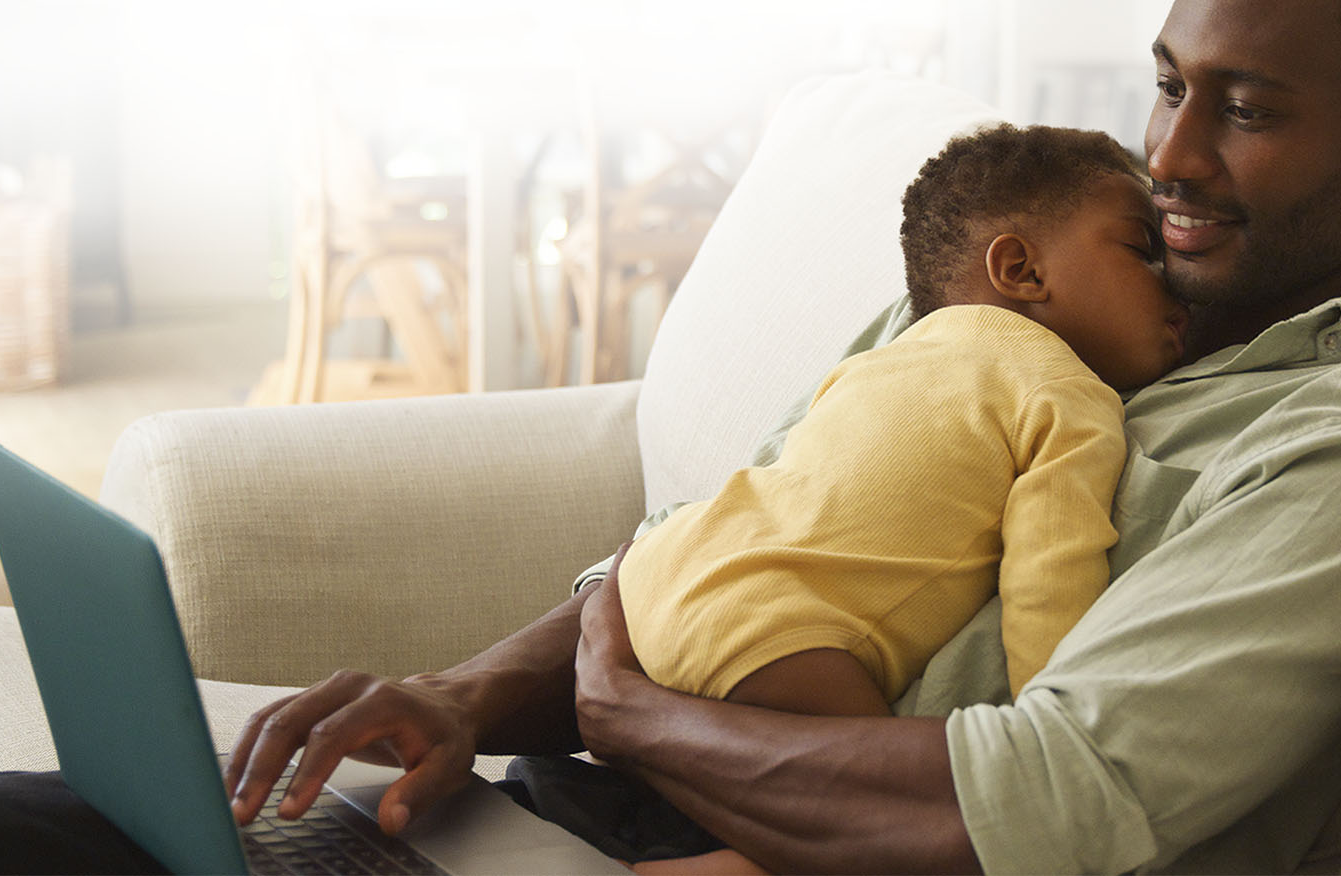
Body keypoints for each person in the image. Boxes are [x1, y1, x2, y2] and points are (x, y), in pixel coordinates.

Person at [0, 0, 1341, 875]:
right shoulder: (1037, 284)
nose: (1171, 154)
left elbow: (1041, 798)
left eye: (1246, 107)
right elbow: (709, 539)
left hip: (698, 840)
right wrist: (466, 696)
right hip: (579, 800)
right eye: (1168, 82)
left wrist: (630, 706)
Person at [506, 123, 1187, 862]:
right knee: (875, 819)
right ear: (1020, 269)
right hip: (780, 632)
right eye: (1141, 251)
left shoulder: (881, 359)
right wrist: (1044, 717)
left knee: (713, 794)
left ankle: (593, 813)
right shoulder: (1067, 393)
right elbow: (1051, 573)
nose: (1172, 283)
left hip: (656, 579)